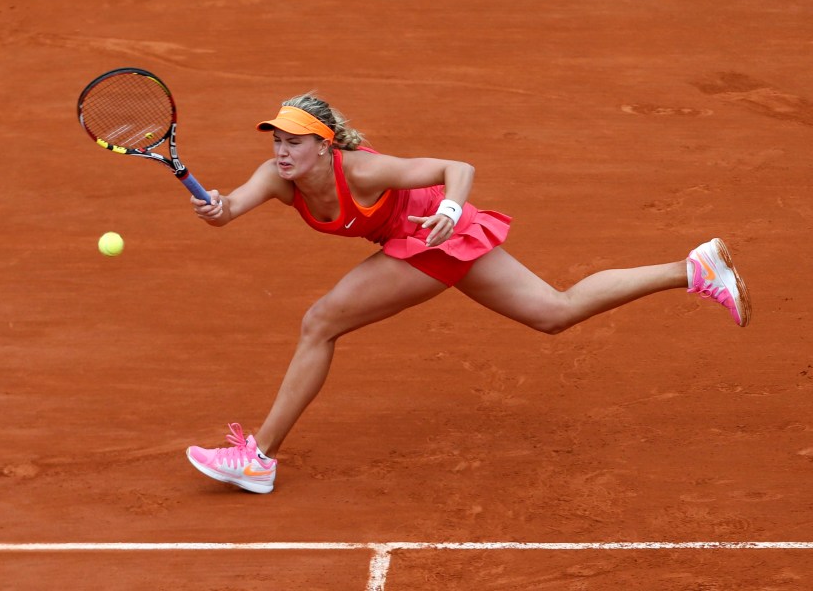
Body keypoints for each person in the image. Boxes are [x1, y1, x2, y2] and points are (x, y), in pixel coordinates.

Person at [185, 94, 751, 494]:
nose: (283, 152)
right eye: (278, 141)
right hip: (426, 239)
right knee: (553, 312)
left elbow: (457, 166)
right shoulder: (276, 178)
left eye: (295, 142)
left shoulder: (363, 170)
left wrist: (451, 209)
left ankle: (258, 459)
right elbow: (229, 209)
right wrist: (215, 208)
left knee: (320, 322)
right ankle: (693, 268)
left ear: (324, 146)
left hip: (435, 233)